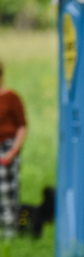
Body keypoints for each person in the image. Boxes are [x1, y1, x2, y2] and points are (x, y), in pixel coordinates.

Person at [0, 59, 27, 238]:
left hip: (7, 148)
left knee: (7, 191)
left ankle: (11, 232)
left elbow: (22, 126)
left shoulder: (11, 97)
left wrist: (13, 151)